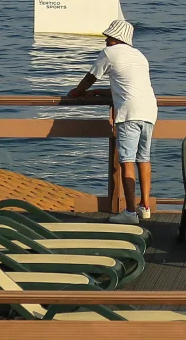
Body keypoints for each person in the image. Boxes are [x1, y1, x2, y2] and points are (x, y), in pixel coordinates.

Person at [63, 18, 159, 222]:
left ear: (116, 38)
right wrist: (100, 93)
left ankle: (130, 212)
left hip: (129, 114)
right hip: (149, 110)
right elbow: (130, 87)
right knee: (144, 158)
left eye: (108, 36)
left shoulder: (109, 53)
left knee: (127, 162)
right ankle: (145, 206)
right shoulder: (140, 56)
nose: (106, 39)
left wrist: (77, 92)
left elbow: (90, 77)